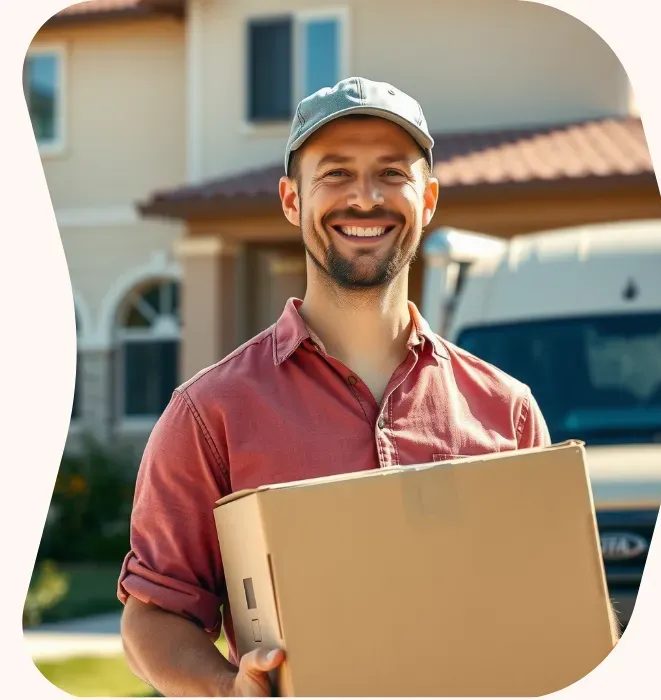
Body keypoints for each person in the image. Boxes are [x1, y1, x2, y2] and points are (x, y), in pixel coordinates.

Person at [118, 77, 551, 697]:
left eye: (391, 173)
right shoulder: (208, 414)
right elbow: (155, 613)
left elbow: (545, 598)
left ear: (427, 199)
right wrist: (227, 690)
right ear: (292, 200)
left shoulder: (506, 411)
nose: (366, 198)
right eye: (337, 174)